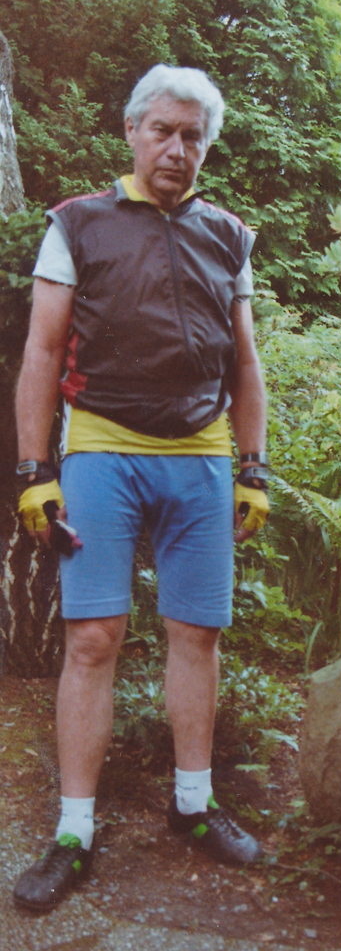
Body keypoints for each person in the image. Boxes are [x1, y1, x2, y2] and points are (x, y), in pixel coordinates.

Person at [12, 64, 270, 912]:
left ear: (206, 147)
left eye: (193, 136)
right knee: (94, 638)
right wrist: (35, 472)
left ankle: (193, 804)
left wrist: (254, 469)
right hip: (102, 451)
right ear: (131, 131)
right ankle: (73, 830)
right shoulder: (77, 224)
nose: (176, 148)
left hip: (200, 455)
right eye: (162, 130)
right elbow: (41, 351)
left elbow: (245, 362)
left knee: (197, 633)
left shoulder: (228, 234)